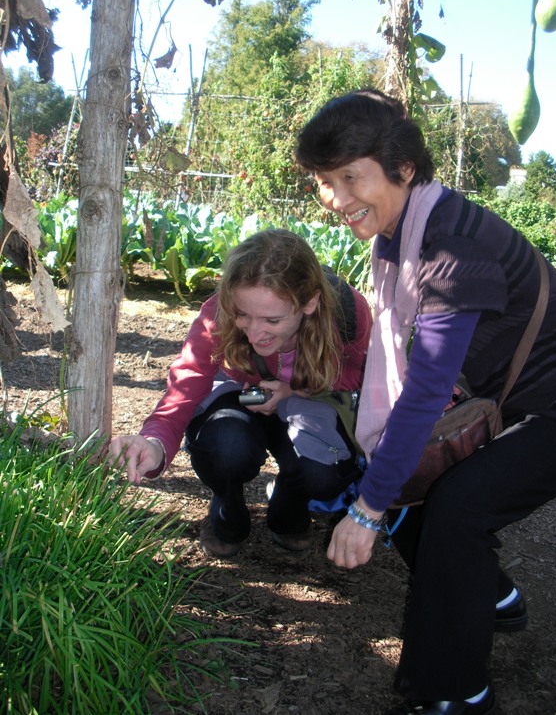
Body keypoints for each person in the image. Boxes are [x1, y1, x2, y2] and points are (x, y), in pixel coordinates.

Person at [295, 89, 556, 715]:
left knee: (456, 506)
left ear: (403, 169)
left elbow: (422, 391)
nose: (337, 199)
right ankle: (493, 600)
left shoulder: (449, 245)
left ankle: (455, 693)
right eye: (324, 182)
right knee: (420, 486)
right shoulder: (402, 233)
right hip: (522, 395)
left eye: (350, 177)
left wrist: (365, 511)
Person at [110, 228, 372, 558]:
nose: (255, 334)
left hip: (308, 400)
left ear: (310, 303)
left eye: (272, 320)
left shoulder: (348, 313)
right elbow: (186, 384)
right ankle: (227, 511)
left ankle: (289, 510)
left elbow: (358, 377)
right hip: (239, 395)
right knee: (225, 448)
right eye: (242, 315)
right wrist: (155, 442)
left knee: (325, 472)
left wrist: (295, 390)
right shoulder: (217, 313)